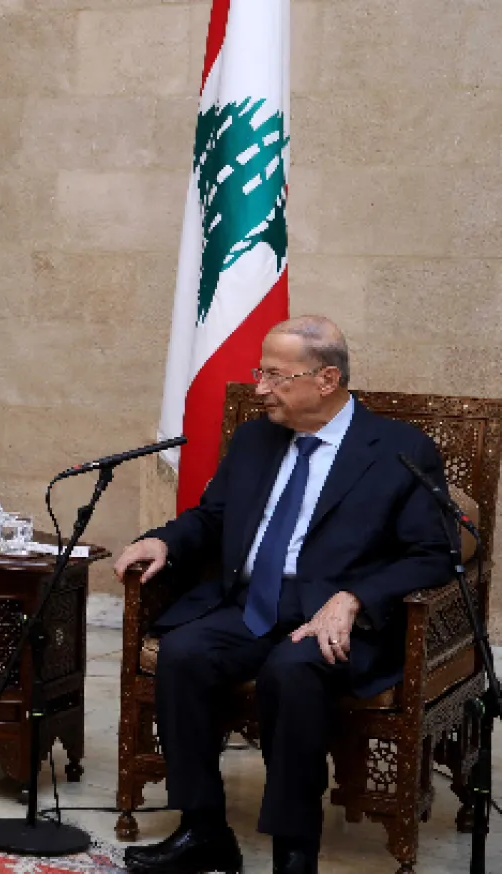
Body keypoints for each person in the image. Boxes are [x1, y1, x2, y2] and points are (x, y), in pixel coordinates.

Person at [114, 316, 452, 874]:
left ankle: (295, 852)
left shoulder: (397, 450)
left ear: (325, 379)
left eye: (274, 375)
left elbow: (434, 553)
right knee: (184, 654)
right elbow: (213, 517)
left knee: (292, 672)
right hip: (250, 605)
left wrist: (354, 598)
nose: (260, 388)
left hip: (330, 616)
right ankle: (204, 831)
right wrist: (164, 540)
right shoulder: (255, 438)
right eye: (259, 372)